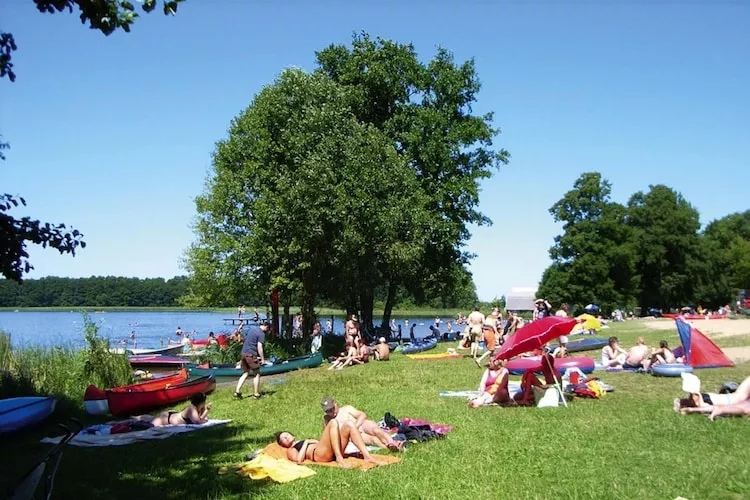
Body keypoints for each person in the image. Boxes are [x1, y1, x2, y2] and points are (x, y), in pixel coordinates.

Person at [275, 418, 382, 468]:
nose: (286, 437)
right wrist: (306, 442)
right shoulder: (291, 449)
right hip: (319, 455)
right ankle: (339, 459)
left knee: (349, 424)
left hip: (326, 450)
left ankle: (367, 456)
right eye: (283, 438)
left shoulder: (301, 441)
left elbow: (324, 442)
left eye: (286, 434)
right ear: (282, 444)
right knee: (332, 422)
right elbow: (299, 460)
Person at [321, 396, 404, 451]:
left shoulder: (346, 409)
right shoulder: (327, 419)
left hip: (361, 425)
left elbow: (362, 415)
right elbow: (329, 435)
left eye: (332, 409)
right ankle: (389, 448)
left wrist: (355, 426)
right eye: (328, 411)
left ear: (335, 403)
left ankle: (392, 442)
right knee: (373, 439)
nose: (331, 413)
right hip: (353, 434)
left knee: (376, 431)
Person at [675, 376, 750, 421]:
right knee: (744, 408)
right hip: (735, 398)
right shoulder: (702, 402)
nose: (690, 398)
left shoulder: (701, 401)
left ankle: (689, 407)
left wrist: (692, 409)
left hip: (735, 398)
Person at [234, 321, 269, 400]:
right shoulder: (261, 334)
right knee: (257, 374)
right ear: (266, 326)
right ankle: (256, 394)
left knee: (246, 372)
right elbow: (259, 346)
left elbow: (249, 342)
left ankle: (237, 392)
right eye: (268, 329)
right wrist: (263, 359)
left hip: (243, 353)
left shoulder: (253, 329)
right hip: (250, 355)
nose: (268, 331)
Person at [134, 393, 212, 426]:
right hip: (166, 419)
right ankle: (134, 418)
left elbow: (202, 419)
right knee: (146, 423)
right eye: (204, 402)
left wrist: (205, 411)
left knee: (150, 418)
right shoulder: (191, 409)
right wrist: (206, 411)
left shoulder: (195, 410)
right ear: (201, 402)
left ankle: (136, 417)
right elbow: (198, 422)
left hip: (170, 416)